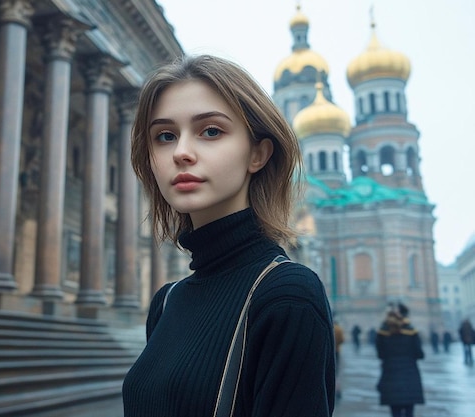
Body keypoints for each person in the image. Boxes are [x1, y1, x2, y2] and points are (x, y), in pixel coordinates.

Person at [122, 55, 335, 416]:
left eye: (211, 131)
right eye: (165, 136)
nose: (181, 152)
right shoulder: (166, 302)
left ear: (258, 154)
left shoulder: (287, 296)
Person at [375, 305, 425, 417]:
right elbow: (420, 354)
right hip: (410, 374)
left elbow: (380, 354)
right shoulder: (411, 331)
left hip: (390, 374)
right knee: (409, 411)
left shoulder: (382, 332)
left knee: (395, 412)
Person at [334, 321, 345, 399]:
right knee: (336, 371)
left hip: (328, 351)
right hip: (336, 351)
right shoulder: (338, 329)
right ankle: (337, 390)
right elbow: (342, 340)